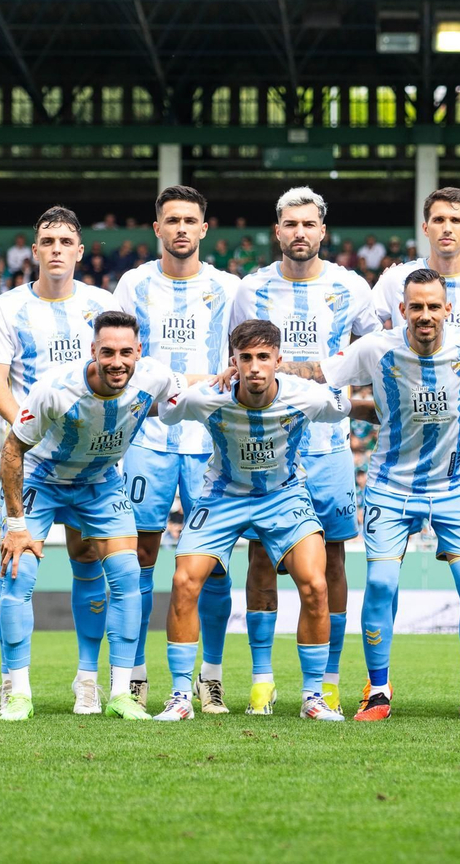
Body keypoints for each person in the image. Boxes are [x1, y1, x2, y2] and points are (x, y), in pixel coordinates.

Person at [298, 267, 460, 721]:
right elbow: (322, 373)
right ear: (401, 311)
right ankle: (378, 691)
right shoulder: (376, 349)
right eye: (416, 307)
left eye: (433, 306)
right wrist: (263, 367)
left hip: (456, 487)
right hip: (390, 487)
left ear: (447, 310)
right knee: (380, 584)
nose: (425, 315)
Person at [150, 320, 352, 723]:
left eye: (264, 358)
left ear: (278, 360)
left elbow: (341, 405)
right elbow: (166, 412)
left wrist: (301, 374)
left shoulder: (305, 398)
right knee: (183, 581)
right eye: (246, 359)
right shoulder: (210, 398)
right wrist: (210, 380)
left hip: (284, 496)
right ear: (234, 362)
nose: (255, 367)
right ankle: (178, 696)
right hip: (223, 496)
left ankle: (313, 697)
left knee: (315, 584)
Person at [224, 188, 377, 715]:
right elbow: (237, 361)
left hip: (330, 446)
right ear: (277, 231)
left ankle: (327, 680)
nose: (300, 233)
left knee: (333, 559)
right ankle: (262, 681)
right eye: (290, 224)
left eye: (309, 224)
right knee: (262, 555)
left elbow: (373, 356)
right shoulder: (250, 290)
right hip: (264, 444)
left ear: (322, 231)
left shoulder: (351, 287)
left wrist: (346, 399)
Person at [0, 311, 181, 722]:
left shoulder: (155, 377)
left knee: (129, 576)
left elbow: (187, 395)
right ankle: (17, 690)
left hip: (99, 483)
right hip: (43, 480)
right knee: (17, 575)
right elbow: (12, 450)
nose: (117, 361)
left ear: (139, 353)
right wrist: (15, 526)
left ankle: (116, 692)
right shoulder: (55, 390)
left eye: (126, 353)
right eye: (108, 352)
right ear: (92, 351)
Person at [369, 187, 460, 713]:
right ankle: (375, 683)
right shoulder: (392, 281)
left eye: (457, 219)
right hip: (403, 439)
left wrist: (451, 392)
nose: (447, 227)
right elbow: (387, 355)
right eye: (438, 219)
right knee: (384, 571)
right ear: (425, 226)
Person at [0, 205, 122, 717]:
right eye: (48, 240)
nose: (57, 248)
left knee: (90, 566)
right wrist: (30, 423)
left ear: (80, 251)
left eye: (66, 240)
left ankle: (87, 681)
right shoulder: (8, 307)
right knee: (18, 573)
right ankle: (15, 685)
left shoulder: (103, 303)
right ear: (35, 250)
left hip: (93, 466)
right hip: (35, 462)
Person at [114, 186, 242, 707]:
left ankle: (209, 676)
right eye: (172, 220)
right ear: (158, 228)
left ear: (204, 229)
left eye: (191, 220)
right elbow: (119, 354)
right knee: (140, 557)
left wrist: (196, 381)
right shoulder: (133, 284)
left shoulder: (230, 288)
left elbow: (240, 360)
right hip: (147, 439)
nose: (182, 229)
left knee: (214, 563)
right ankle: (138, 674)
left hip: (210, 444)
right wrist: (186, 379)